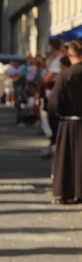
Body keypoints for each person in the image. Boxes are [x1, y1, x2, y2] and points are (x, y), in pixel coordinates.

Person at [48, 40, 82, 204]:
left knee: (67, 160)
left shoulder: (65, 75)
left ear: (69, 55)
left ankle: (66, 192)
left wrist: (58, 112)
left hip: (69, 123)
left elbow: (53, 102)